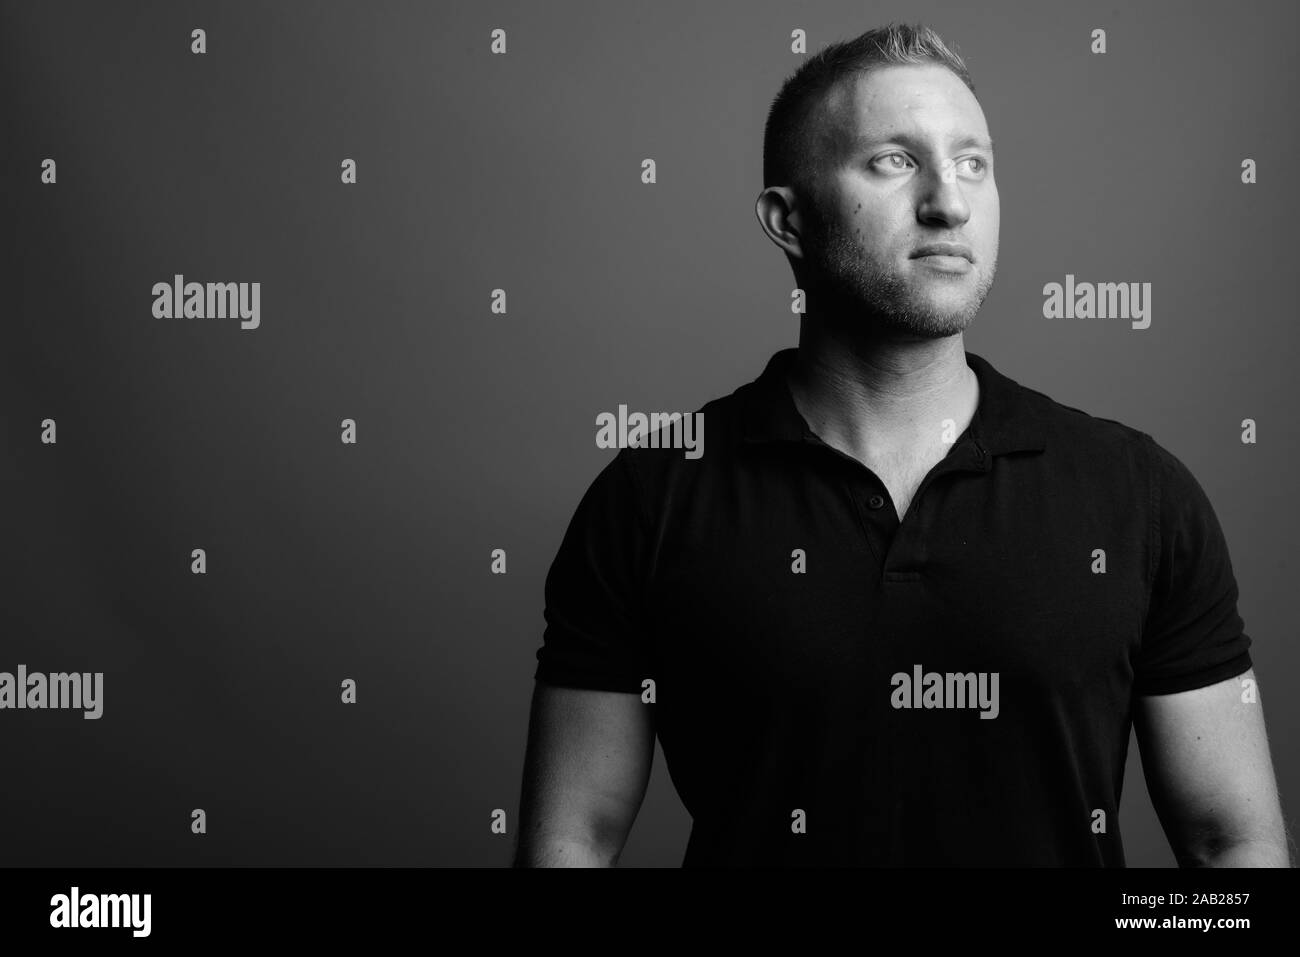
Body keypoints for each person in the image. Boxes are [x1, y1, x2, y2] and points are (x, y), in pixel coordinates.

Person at [513, 22, 1290, 867]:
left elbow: (1231, 844)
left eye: (972, 163)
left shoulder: (1139, 495)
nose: (949, 202)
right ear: (789, 220)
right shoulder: (650, 498)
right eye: (893, 160)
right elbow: (573, 840)